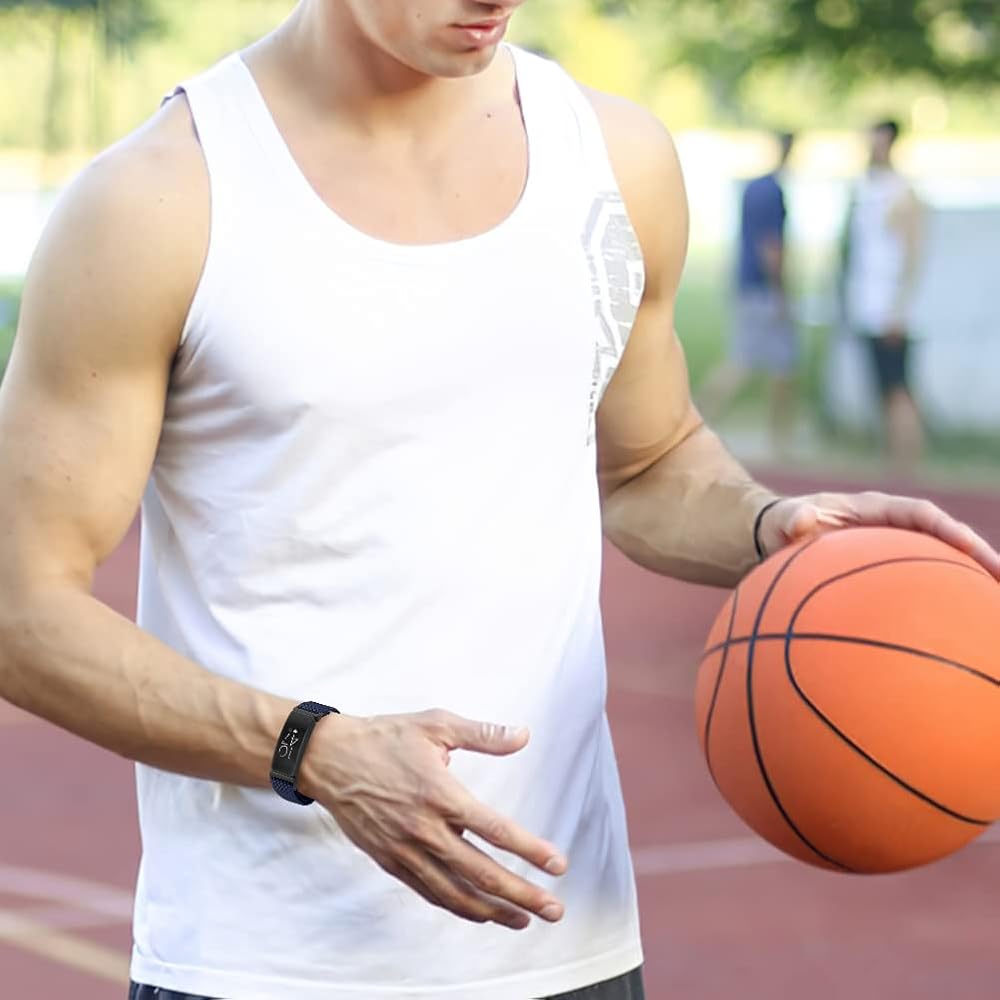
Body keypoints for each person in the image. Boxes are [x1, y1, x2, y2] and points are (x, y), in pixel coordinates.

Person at [0, 4, 995, 999]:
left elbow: (649, 464)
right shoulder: (160, 199)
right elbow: (19, 610)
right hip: (264, 962)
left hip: (571, 948)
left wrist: (772, 526)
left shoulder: (615, 159)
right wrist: (315, 749)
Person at [699, 131, 798, 457]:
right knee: (746, 361)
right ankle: (696, 422)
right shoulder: (772, 192)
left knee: (779, 366)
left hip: (748, 283)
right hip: (763, 288)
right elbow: (771, 244)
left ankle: (778, 441)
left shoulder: (754, 188)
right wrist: (780, 290)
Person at [842, 118, 926, 472]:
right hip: (867, 303)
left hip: (889, 309)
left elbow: (912, 255)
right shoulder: (865, 189)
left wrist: (898, 308)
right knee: (881, 387)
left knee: (897, 386)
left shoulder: (902, 193)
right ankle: (890, 460)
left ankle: (909, 463)